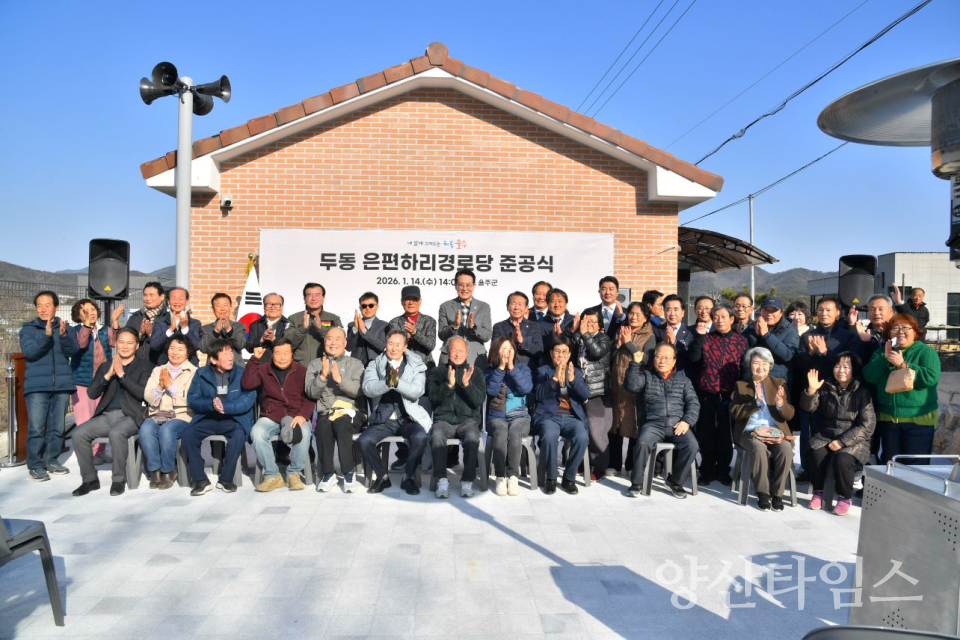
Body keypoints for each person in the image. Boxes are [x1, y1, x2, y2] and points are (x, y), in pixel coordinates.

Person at [71, 327, 153, 496]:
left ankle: (118, 480)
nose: (125, 346)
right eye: (121, 342)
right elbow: (92, 393)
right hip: (107, 416)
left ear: (136, 346)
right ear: (115, 344)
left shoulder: (146, 366)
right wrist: (108, 375)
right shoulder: (106, 365)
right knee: (78, 434)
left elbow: (142, 393)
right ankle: (90, 480)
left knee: (117, 433)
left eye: (129, 343)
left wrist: (122, 375)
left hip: (131, 415)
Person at [357, 330, 431, 495]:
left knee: (421, 437)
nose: (394, 348)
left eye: (398, 344)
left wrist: (397, 383)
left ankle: (408, 477)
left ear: (405, 347)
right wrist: (386, 383)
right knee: (364, 440)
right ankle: (382, 477)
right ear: (385, 345)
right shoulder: (375, 364)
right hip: (384, 419)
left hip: (408, 418)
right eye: (390, 344)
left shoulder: (416, 365)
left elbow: (418, 390)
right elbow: (368, 389)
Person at [802, 352, 876, 516]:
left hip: (853, 439)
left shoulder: (862, 393)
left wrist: (843, 441)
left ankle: (845, 497)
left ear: (853, 370)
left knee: (843, 459)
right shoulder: (826, 387)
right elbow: (809, 408)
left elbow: (867, 424)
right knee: (815, 453)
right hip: (825, 435)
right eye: (837, 366)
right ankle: (818, 492)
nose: (841, 370)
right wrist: (811, 391)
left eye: (846, 367)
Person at [623, 343, 700, 499]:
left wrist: (687, 421)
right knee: (643, 443)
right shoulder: (647, 376)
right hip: (653, 423)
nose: (662, 361)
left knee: (692, 445)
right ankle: (636, 482)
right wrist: (635, 364)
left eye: (667, 358)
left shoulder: (683, 380)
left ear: (674, 361)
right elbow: (631, 386)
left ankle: (675, 481)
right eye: (658, 356)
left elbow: (693, 403)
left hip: (677, 424)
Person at [862, 314, 941, 464]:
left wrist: (903, 364)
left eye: (905, 327)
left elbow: (930, 378)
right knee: (890, 466)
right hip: (888, 419)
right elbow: (869, 376)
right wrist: (885, 359)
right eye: (895, 327)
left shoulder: (925, 352)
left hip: (919, 420)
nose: (900, 331)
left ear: (916, 331)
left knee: (916, 469)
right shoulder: (881, 352)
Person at [181, 339, 256, 496]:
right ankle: (200, 480)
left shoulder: (242, 373)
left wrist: (226, 407)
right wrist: (211, 404)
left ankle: (226, 478)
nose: (230, 356)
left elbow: (249, 397)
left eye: (231, 352)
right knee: (188, 435)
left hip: (233, 419)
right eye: (225, 353)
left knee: (238, 435)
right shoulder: (201, 374)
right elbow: (193, 399)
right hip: (208, 417)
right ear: (214, 359)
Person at [19, 290, 79, 482]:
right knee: (37, 427)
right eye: (39, 305)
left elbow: (73, 350)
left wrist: (62, 336)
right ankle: (35, 464)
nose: (43, 309)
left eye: (47, 305)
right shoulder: (28, 329)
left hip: (61, 385)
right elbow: (30, 352)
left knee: (56, 427)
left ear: (56, 307)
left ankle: (51, 460)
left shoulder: (64, 327)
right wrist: (46, 336)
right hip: (37, 386)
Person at [243, 338, 314, 492]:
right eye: (278, 353)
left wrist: (303, 415)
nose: (282, 357)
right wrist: (255, 359)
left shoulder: (302, 371)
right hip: (271, 415)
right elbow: (247, 384)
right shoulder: (263, 369)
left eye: (286, 353)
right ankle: (272, 475)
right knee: (257, 432)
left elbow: (310, 397)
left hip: (296, 415)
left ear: (292, 354)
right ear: (272, 354)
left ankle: (293, 473)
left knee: (304, 431)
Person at [688, 305, 748, 485]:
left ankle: (723, 470)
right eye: (716, 317)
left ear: (732, 319)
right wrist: (699, 337)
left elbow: (745, 369)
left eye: (724, 316)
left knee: (725, 436)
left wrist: (738, 392)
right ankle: (706, 469)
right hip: (706, 394)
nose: (720, 320)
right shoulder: (706, 339)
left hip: (728, 396)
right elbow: (693, 359)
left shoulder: (741, 341)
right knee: (706, 434)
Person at [730, 347, 795, 511]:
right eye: (756, 362)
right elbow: (735, 413)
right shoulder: (741, 385)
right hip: (749, 432)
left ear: (770, 365)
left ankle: (777, 494)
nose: (760, 367)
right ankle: (763, 493)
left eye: (765, 363)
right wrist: (754, 403)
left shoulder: (778, 384)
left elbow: (789, 415)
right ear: (749, 365)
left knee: (786, 449)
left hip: (775, 432)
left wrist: (781, 404)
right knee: (759, 448)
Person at [305, 328, 366, 493]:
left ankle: (348, 472)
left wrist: (339, 380)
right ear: (324, 343)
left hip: (351, 412)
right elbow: (310, 392)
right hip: (326, 411)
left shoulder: (355, 364)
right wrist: (323, 377)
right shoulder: (315, 364)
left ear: (345, 343)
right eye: (329, 339)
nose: (333, 343)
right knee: (323, 426)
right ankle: (328, 473)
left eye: (338, 339)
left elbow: (358, 391)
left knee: (341, 422)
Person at [426, 337, 485, 498]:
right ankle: (442, 480)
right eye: (454, 350)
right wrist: (448, 386)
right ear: (447, 352)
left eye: (461, 350)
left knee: (473, 437)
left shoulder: (476, 372)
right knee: (437, 436)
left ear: (467, 352)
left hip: (468, 421)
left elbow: (479, 400)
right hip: (444, 421)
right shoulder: (437, 372)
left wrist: (467, 385)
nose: (457, 354)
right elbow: (432, 397)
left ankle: (467, 481)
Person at [533, 334, 590, 495]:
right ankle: (551, 478)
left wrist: (573, 381)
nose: (561, 356)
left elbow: (586, 395)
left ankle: (569, 478)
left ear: (570, 355)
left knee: (582, 437)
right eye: (557, 351)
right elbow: (538, 395)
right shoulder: (542, 371)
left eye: (565, 352)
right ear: (551, 353)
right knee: (550, 436)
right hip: (550, 416)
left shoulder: (576, 372)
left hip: (572, 417)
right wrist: (554, 380)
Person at [140, 336, 197, 490]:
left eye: (180, 349)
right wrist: (159, 386)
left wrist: (171, 386)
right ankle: (155, 470)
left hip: (182, 415)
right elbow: (148, 397)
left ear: (187, 352)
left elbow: (191, 400)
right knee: (145, 429)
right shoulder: (158, 370)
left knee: (167, 429)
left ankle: (168, 470)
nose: (175, 352)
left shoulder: (193, 372)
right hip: (159, 413)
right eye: (172, 348)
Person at [608, 302, 656, 476]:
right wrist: (618, 345)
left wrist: (628, 343)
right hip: (616, 385)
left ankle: (630, 465)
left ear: (645, 317)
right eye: (631, 313)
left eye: (637, 314)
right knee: (615, 426)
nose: (633, 317)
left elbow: (645, 360)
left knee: (633, 426)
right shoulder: (621, 329)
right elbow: (611, 356)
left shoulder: (649, 336)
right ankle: (613, 464)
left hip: (635, 388)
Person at [485, 336, 533, 496]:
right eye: (504, 348)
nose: (507, 352)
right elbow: (491, 391)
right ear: (496, 351)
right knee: (501, 432)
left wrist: (511, 368)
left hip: (520, 416)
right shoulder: (490, 371)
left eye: (510, 348)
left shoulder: (523, 369)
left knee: (514, 431)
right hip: (497, 416)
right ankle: (500, 476)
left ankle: (512, 476)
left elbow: (526, 388)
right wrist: (500, 369)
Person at [69, 299, 110, 462]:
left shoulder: (104, 330)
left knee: (101, 417)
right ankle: (88, 455)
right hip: (82, 381)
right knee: (85, 419)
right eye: (85, 311)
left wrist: (114, 324)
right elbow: (80, 345)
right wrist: (86, 327)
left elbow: (114, 343)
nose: (90, 313)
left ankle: (100, 451)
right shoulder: (75, 331)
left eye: (92, 309)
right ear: (78, 315)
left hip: (103, 381)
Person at [575, 309, 614, 479]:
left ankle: (599, 467)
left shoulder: (604, 339)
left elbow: (596, 352)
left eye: (592, 321)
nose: (588, 324)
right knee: (581, 430)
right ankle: (582, 463)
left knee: (597, 433)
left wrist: (583, 333)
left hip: (597, 393)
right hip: (579, 390)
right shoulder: (579, 338)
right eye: (586, 321)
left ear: (599, 324)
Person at [438, 268, 492, 369]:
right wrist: (454, 326)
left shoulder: (484, 307)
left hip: (476, 359)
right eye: (461, 284)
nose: (465, 288)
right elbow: (441, 334)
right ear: (455, 285)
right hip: (450, 359)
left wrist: (473, 328)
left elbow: (487, 336)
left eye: (468, 285)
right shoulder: (445, 306)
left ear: (474, 286)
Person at [743, 296, 799, 383]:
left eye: (774, 310)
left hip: (777, 380)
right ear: (761, 311)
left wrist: (766, 335)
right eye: (766, 310)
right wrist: (756, 336)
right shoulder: (752, 327)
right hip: (752, 378)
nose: (769, 314)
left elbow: (787, 355)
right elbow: (743, 351)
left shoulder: (789, 329)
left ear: (781, 313)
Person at [288, 282, 343, 368]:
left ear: (323, 298)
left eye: (317, 295)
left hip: (326, 366)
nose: (313, 298)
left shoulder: (333, 318)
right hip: (300, 367)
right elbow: (288, 344)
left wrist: (321, 329)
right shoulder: (293, 319)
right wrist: (302, 329)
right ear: (304, 298)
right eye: (309, 295)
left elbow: (340, 343)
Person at [114, 281, 167, 364]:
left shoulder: (167, 318)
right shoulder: (135, 317)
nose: (148, 298)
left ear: (162, 297)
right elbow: (125, 339)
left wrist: (151, 335)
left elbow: (170, 344)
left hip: (159, 366)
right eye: (145, 295)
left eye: (151, 295)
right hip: (137, 368)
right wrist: (140, 334)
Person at [149, 286, 202, 365]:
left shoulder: (195, 323)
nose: (177, 302)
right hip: (165, 366)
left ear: (187, 301)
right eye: (173, 298)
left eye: (181, 298)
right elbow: (154, 345)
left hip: (189, 367)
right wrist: (170, 329)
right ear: (168, 301)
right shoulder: (160, 321)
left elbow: (196, 346)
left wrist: (184, 328)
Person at [388, 286, 438, 369]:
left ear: (420, 301)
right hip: (401, 368)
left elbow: (431, 345)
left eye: (414, 299)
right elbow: (392, 348)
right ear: (402, 302)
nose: (411, 302)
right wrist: (406, 339)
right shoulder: (394, 323)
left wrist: (415, 333)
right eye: (407, 299)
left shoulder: (429, 321)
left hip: (425, 367)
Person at [492, 291, 543, 366]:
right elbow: (494, 350)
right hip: (504, 370)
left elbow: (539, 350)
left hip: (527, 372)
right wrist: (511, 341)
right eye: (513, 303)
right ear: (507, 307)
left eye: (520, 304)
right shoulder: (498, 326)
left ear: (526, 308)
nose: (516, 307)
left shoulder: (534, 326)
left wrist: (522, 341)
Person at [347, 292, 388, 368]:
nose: (367, 308)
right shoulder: (352, 325)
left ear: (377, 307)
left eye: (371, 305)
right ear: (360, 308)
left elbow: (382, 346)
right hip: (355, 367)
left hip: (376, 366)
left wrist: (364, 331)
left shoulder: (384, 325)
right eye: (364, 306)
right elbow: (349, 348)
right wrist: (355, 328)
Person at [653, 294, 694, 371]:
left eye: (676, 309)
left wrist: (676, 343)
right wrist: (663, 343)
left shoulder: (691, 332)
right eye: (668, 309)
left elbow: (692, 356)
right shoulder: (656, 331)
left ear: (683, 313)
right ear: (664, 312)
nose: (672, 313)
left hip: (683, 376)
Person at [200, 293, 245, 362]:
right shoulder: (206, 329)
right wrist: (215, 332)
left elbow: (240, 345)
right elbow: (203, 348)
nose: (222, 309)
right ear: (213, 309)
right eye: (218, 306)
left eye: (225, 305)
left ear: (230, 307)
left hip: (235, 368)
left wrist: (229, 330)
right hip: (213, 369)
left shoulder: (239, 326)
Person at [244, 292, 292, 356]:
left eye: (277, 304)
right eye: (269, 304)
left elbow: (292, 346)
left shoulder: (289, 324)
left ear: (282, 307)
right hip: (261, 363)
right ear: (264, 307)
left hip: (282, 362)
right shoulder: (255, 325)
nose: (273, 307)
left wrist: (274, 339)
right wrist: (262, 339)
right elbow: (249, 347)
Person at [539, 288, 577, 354]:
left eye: (560, 301)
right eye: (553, 301)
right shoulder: (540, 323)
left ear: (566, 303)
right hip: (547, 362)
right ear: (548, 304)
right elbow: (539, 349)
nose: (557, 305)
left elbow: (578, 346)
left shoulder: (574, 321)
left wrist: (571, 332)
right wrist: (554, 339)